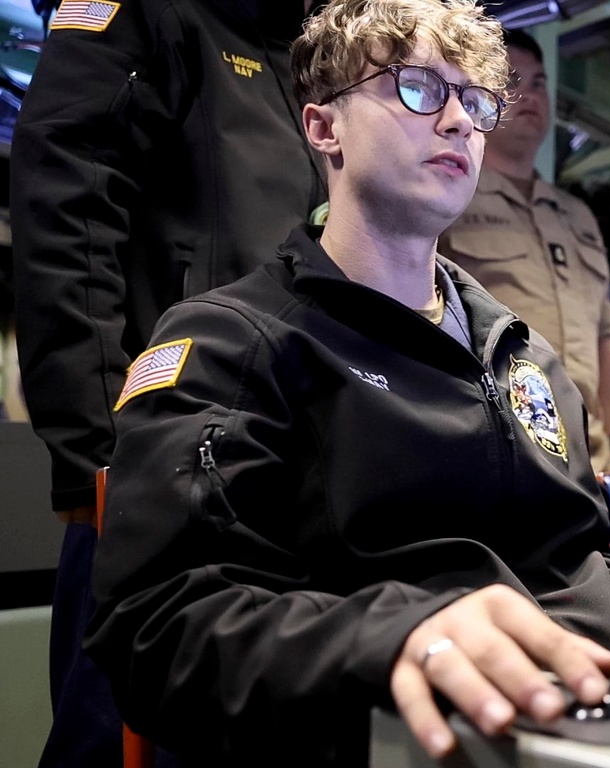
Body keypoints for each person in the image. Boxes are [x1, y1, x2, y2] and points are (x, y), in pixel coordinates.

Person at [83, 0, 610, 763]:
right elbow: (154, 628)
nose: (461, 121)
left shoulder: (522, 353)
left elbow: (592, 562)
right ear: (323, 127)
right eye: (418, 88)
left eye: (475, 101)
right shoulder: (232, 346)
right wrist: (392, 640)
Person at [10, 1, 327, 765]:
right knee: (122, 743)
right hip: (160, 473)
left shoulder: (306, 50)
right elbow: (68, 207)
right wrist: (102, 457)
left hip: (284, 479)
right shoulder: (153, 12)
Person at [437, 28, 610, 474]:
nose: (531, 94)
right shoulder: (450, 195)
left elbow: (606, 332)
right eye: (512, 80)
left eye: (539, 82)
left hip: (594, 456)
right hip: (499, 449)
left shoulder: (576, 214)